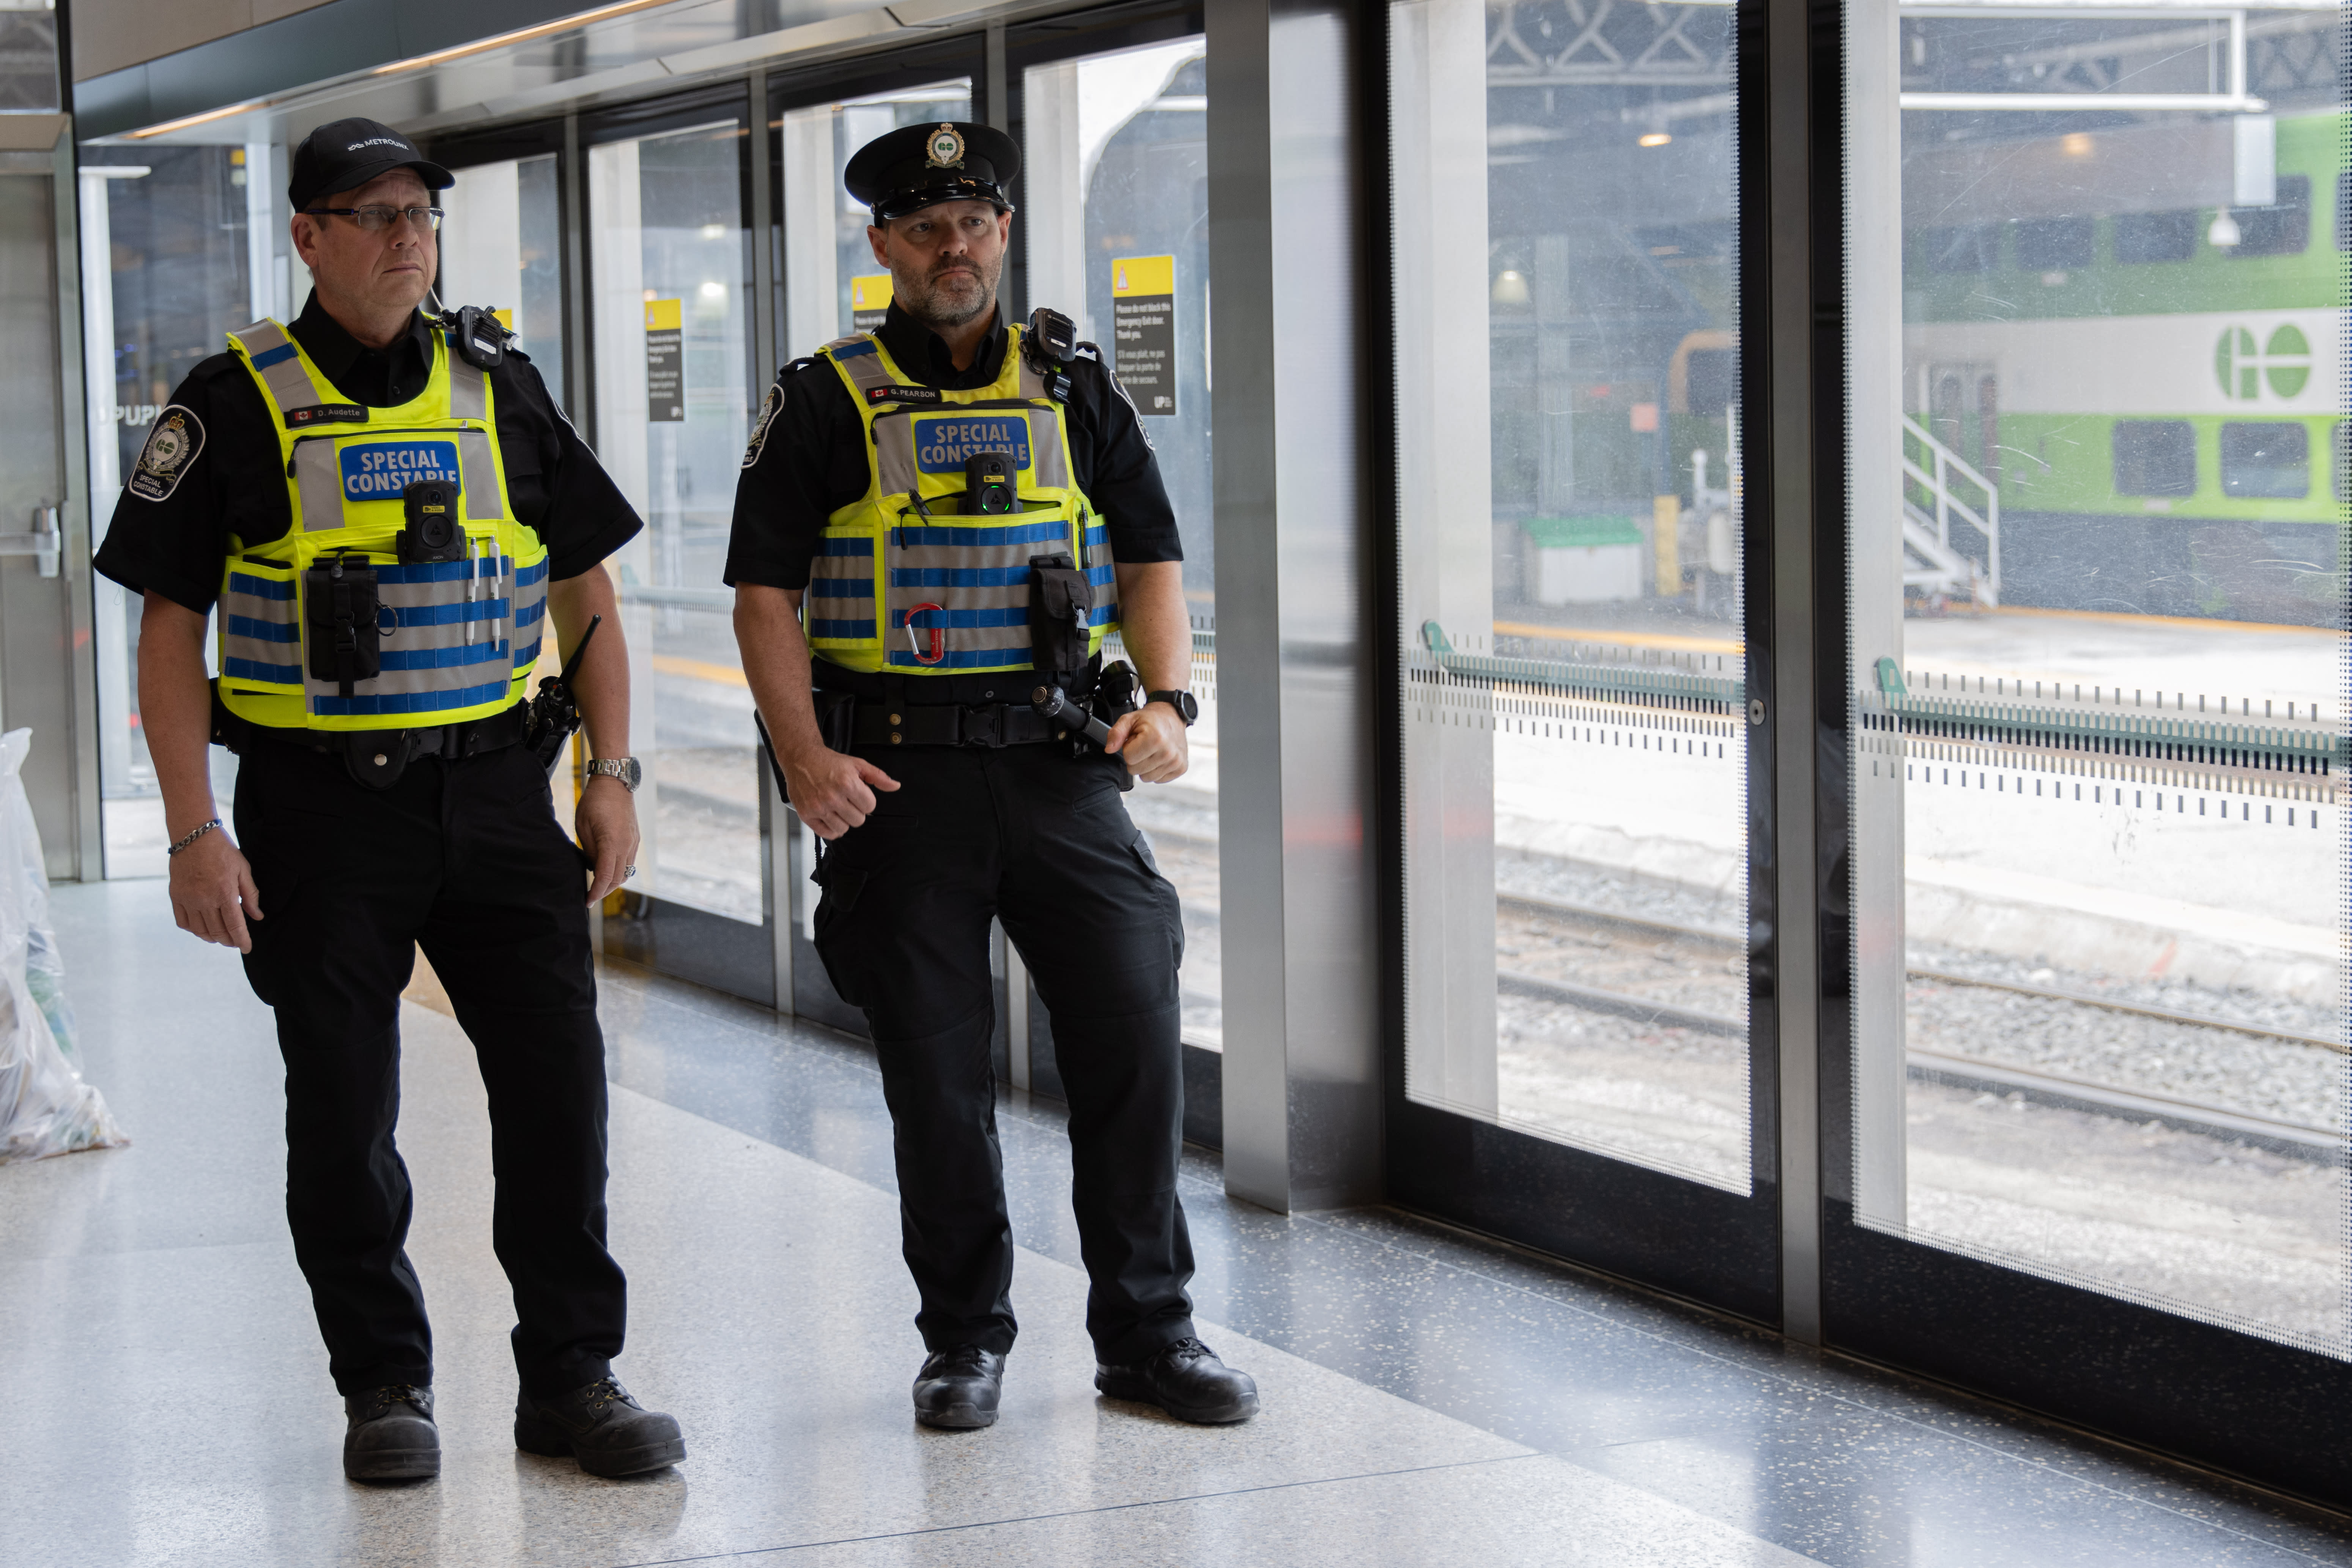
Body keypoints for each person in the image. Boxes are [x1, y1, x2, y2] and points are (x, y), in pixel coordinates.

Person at [94, 117, 685, 1483]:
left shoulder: (501, 383)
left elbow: (583, 586)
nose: (407, 236)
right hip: (319, 810)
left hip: (498, 793)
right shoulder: (230, 399)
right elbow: (167, 630)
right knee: (345, 1110)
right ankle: (384, 1386)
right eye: (374, 215)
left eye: (420, 212)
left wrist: (613, 774)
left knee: (559, 1093)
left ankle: (573, 1378)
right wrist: (195, 829)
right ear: (307, 236)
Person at [727, 120, 1258, 1429]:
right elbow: (761, 595)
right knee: (936, 1075)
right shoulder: (826, 397)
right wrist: (803, 757)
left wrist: (1176, 703)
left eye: (974, 222)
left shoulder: (1074, 383)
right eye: (925, 227)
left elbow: (1149, 559)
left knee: (1135, 1044)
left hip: (1064, 768)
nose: (953, 246)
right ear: (883, 248)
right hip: (897, 784)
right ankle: (964, 1338)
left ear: (1005, 234)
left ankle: (1149, 1333)